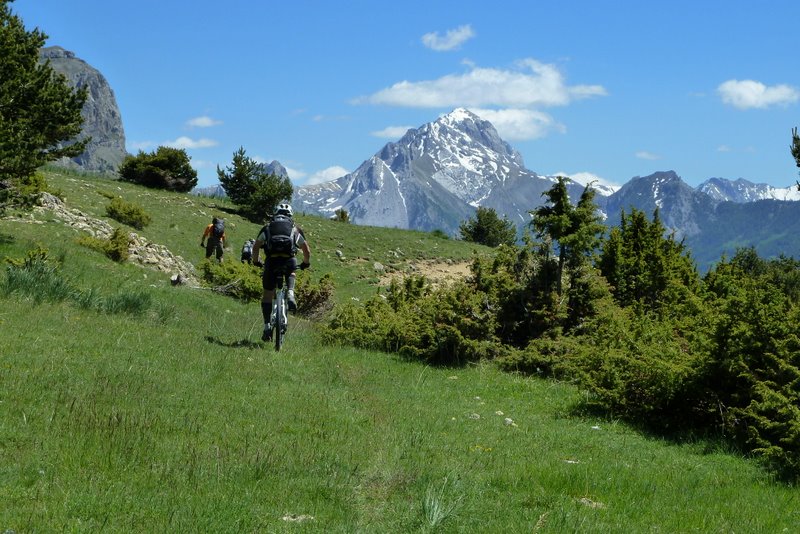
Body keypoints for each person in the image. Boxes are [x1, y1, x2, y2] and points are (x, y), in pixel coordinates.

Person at [252, 203, 310, 341]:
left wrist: (256, 261)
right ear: (290, 216)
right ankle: (290, 291)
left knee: (267, 294)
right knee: (291, 272)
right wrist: (306, 263)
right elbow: (306, 249)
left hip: (271, 262)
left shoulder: (267, 228)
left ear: (275, 214)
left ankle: (267, 326)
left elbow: (256, 247)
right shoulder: (295, 229)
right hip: (289, 261)